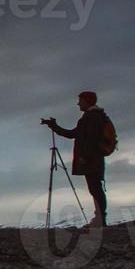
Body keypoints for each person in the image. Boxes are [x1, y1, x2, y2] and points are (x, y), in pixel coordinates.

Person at [46, 91, 110, 228]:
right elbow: (74, 134)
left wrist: (84, 157)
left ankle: (100, 220)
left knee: (95, 189)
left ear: (87, 101)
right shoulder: (92, 117)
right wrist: (54, 126)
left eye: (80, 101)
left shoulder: (92, 117)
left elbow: (90, 138)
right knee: (95, 188)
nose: (78, 104)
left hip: (91, 159)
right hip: (94, 159)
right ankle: (100, 219)